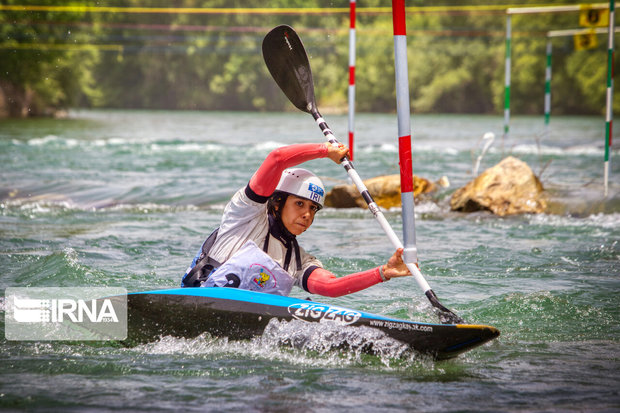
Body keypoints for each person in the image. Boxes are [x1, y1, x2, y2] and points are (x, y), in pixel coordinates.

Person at [181, 141, 411, 297]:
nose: (307, 214)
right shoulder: (245, 214)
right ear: (278, 202)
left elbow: (330, 286)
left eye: (313, 208)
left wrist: (383, 272)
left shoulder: (298, 260)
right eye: (299, 204)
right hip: (198, 299)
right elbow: (277, 158)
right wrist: (324, 150)